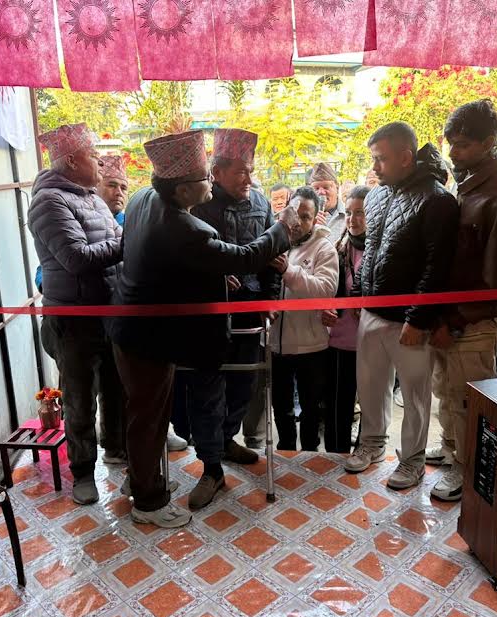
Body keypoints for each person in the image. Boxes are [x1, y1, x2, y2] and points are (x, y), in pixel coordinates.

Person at [110, 130, 300, 528]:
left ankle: (142, 478)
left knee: (147, 415)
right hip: (150, 338)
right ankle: (148, 502)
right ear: (182, 190)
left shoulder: (143, 198)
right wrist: (283, 229)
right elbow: (244, 257)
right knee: (150, 419)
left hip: (135, 328)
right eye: (205, 177)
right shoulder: (183, 226)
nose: (210, 182)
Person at [343, 122, 459, 492]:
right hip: (371, 312)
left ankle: (412, 460)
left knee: (414, 395)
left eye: (381, 159)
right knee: (370, 386)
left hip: (409, 320)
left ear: (406, 157)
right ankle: (372, 444)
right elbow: (371, 250)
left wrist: (418, 318)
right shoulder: (377, 196)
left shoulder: (438, 200)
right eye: (373, 158)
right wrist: (360, 295)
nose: (374, 167)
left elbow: (437, 266)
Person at [427, 100, 497, 501]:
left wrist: (452, 323)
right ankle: (451, 450)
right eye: (451, 143)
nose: (453, 152)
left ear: (489, 143)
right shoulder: (466, 182)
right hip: (447, 317)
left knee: (468, 402)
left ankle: (466, 471)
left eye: (463, 144)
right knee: (446, 392)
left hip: (472, 322)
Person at [181, 128, 281, 508]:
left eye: (250, 170)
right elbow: (187, 262)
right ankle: (211, 469)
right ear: (217, 172)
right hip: (208, 318)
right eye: (240, 171)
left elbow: (273, 258)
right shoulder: (198, 208)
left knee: (244, 387)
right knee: (208, 391)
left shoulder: (261, 204)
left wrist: (269, 300)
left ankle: (226, 441)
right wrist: (214, 277)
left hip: (250, 314)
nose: (248, 179)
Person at [28, 123, 123, 505]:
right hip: (74, 321)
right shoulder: (49, 202)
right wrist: (128, 243)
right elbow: (77, 258)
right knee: (80, 400)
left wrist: (123, 243)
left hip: (108, 313)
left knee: (116, 389)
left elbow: (114, 241)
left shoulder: (92, 199)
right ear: (70, 161)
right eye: (92, 154)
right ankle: (83, 472)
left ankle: (116, 449)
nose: (99, 160)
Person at [269, 186, 339, 450]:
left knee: (311, 408)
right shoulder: (274, 241)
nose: (298, 221)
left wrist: (289, 270)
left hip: (312, 346)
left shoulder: (324, 248)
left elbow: (325, 290)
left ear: (316, 218)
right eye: (295, 213)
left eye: (306, 216)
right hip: (276, 345)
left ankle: (310, 455)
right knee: (281, 407)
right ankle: (286, 451)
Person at [321, 185, 368, 453]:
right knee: (338, 406)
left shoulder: (381, 251)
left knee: (371, 407)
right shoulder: (337, 249)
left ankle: (365, 454)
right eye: (349, 212)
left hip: (372, 342)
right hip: (340, 341)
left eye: (360, 213)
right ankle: (336, 458)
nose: (352, 219)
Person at [308, 162, 346, 242]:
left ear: (337, 188)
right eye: (316, 188)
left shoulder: (349, 216)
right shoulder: (303, 218)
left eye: (326, 187)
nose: (321, 192)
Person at [97, 154, 130, 226]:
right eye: (112, 186)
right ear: (95, 187)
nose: (119, 193)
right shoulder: (82, 219)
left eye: (123, 188)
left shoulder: (132, 223)